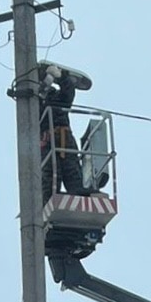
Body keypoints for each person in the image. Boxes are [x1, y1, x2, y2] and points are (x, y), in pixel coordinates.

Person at [39, 63, 89, 204]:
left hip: (63, 135)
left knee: (71, 166)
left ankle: (76, 190)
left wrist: (62, 77)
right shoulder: (33, 102)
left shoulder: (55, 97)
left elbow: (68, 93)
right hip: (47, 140)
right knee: (50, 171)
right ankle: (49, 197)